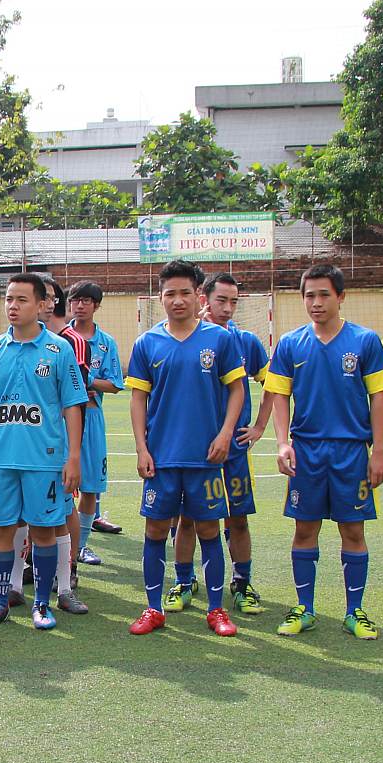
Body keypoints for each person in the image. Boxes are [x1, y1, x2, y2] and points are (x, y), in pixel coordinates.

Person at [266, 263, 383, 639]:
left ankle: (355, 611)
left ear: (341, 296)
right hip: (306, 451)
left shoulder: (365, 341)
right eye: (309, 296)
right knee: (305, 529)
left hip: (351, 452)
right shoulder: (290, 343)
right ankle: (304, 608)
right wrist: (283, 443)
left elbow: (379, 398)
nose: (316, 303)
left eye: (324, 294)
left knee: (352, 531)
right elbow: (279, 396)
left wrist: (379, 451)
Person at [125, 261, 246, 637]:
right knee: (156, 529)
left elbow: (237, 390)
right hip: (162, 457)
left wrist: (225, 434)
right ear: (160, 297)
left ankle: (216, 610)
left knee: (209, 529)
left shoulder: (220, 339)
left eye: (184, 293)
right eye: (169, 294)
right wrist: (142, 448)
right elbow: (138, 399)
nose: (177, 300)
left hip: (205, 456)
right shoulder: (147, 343)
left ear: (198, 296)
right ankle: (153, 608)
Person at [0, 273, 85, 631]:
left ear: (41, 304)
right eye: (8, 299)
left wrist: (73, 457)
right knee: (1, 531)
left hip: (44, 460)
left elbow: (73, 406)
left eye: (21, 300)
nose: (12, 306)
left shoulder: (59, 350)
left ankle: (42, 604)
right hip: (1, 459)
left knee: (44, 532)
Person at [206, 272, 272, 613]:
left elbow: (273, 384)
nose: (228, 308)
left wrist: (259, 426)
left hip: (234, 449)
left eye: (233, 301)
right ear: (205, 300)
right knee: (187, 520)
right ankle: (185, 580)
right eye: (221, 300)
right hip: (193, 448)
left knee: (238, 517)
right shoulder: (184, 338)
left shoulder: (246, 341)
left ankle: (242, 583)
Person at [65, 281, 123, 572]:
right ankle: (58, 546)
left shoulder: (105, 343)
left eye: (86, 300)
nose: (80, 305)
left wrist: (85, 379)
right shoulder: (60, 338)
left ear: (96, 305)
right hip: (62, 420)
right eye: (76, 299)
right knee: (59, 486)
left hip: (92, 417)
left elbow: (115, 383)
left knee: (90, 488)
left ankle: (80, 546)